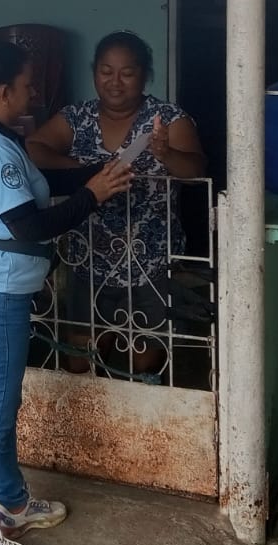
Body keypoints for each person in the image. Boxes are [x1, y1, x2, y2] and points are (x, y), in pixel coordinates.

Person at [0, 40, 133, 545]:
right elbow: (29, 224)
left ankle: (13, 504)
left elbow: (41, 186)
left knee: (1, 403)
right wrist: (94, 195)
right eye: (27, 85)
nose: (34, 93)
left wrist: (98, 173)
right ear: (3, 92)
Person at [27, 31, 206, 377]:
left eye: (127, 73)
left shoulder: (167, 119)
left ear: (145, 74)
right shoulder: (77, 116)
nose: (115, 82)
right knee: (81, 362)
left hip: (151, 263)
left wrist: (166, 153)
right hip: (87, 259)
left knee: (146, 366)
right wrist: (86, 172)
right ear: (94, 71)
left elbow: (196, 172)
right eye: (106, 71)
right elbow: (34, 149)